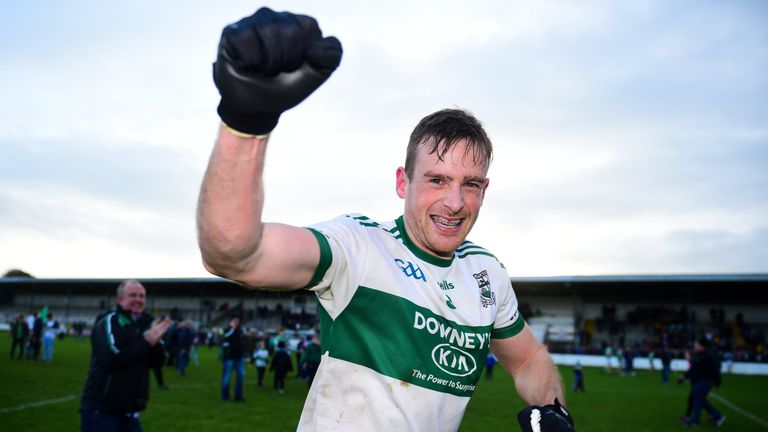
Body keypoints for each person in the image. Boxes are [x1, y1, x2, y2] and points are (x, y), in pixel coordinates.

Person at [197, 7, 573, 432]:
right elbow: (233, 255)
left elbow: (527, 358)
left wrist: (554, 407)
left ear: (484, 191)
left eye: (470, 184)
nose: (454, 202)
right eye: (436, 180)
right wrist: (245, 124)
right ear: (402, 182)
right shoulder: (359, 246)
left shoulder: (487, 274)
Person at [79, 279, 171, 432]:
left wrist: (156, 342)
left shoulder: (145, 325)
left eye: (142, 296)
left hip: (130, 413)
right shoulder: (108, 322)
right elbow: (112, 359)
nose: (138, 300)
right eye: (133, 295)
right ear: (120, 299)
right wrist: (147, 341)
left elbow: (158, 363)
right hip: (102, 412)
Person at [678, 338, 726, 427]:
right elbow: (693, 368)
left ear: (701, 346)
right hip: (697, 382)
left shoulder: (708, 356)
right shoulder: (698, 355)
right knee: (701, 401)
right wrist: (684, 376)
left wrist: (718, 381)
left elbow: (714, 369)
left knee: (697, 401)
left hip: (704, 381)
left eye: (696, 345)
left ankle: (694, 421)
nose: (694, 346)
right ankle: (718, 416)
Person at [221, 316, 245, 401]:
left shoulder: (240, 331)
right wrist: (232, 328)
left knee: (241, 376)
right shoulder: (227, 330)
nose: (236, 323)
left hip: (239, 357)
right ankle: (225, 396)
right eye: (234, 321)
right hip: (229, 357)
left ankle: (238, 396)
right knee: (226, 378)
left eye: (237, 321)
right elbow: (225, 336)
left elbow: (242, 341)